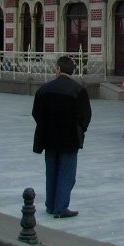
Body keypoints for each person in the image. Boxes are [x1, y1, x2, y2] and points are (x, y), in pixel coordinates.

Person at [32, 55, 92, 219]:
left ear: (58, 69)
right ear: (72, 71)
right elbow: (85, 116)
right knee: (66, 173)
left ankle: (51, 205)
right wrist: (80, 130)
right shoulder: (78, 90)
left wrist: (46, 125)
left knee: (51, 171)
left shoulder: (44, 89)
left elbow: (35, 112)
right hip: (69, 138)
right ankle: (61, 207)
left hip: (49, 138)